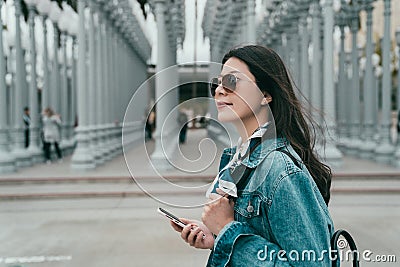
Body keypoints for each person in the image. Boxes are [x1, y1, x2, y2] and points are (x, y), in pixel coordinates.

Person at [170, 45, 334, 266]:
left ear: (265, 95)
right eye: (216, 84)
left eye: (231, 82)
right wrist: (216, 238)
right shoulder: (240, 159)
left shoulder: (279, 169)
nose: (219, 90)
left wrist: (228, 229)